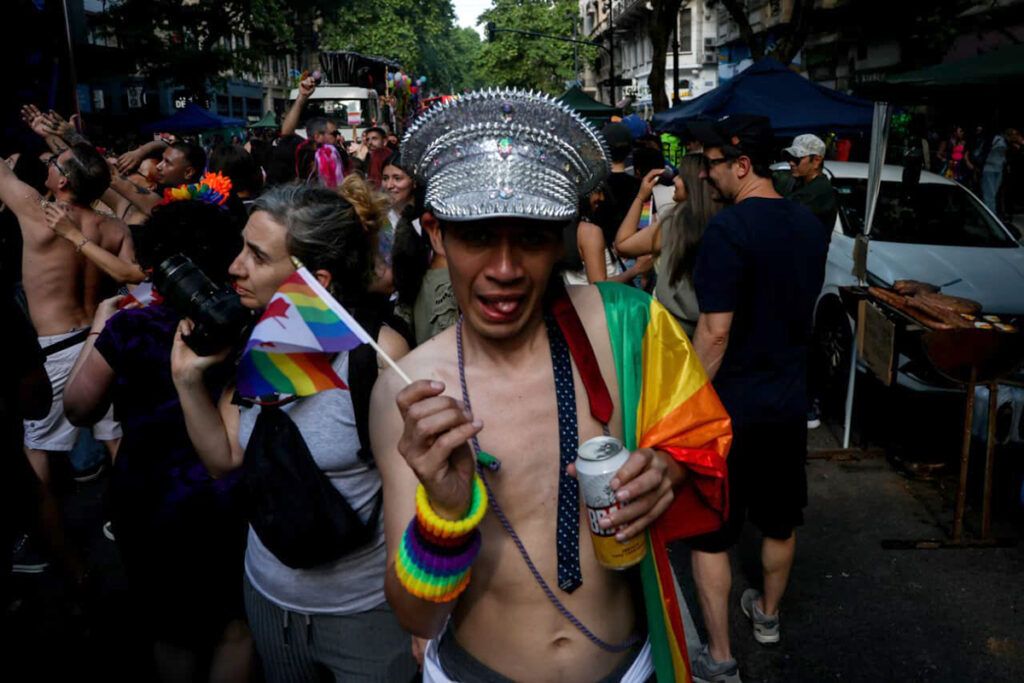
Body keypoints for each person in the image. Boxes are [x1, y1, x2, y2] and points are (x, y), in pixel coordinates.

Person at [370, 89, 731, 683]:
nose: (505, 269)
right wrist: (445, 511)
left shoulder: (629, 327)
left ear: (560, 238)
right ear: (438, 235)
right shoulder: (410, 396)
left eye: (532, 238)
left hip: (632, 667)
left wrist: (665, 471)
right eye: (478, 235)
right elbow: (414, 614)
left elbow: (702, 441)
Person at [170, 182, 418, 681]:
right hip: (268, 598)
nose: (235, 266)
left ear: (315, 279)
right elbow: (224, 458)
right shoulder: (257, 336)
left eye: (257, 256)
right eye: (243, 247)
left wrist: (420, 616)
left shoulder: (378, 356)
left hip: (364, 614)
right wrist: (187, 380)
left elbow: (412, 501)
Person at [61, 196, 251, 682]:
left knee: (171, 631)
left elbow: (78, 407)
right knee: (234, 625)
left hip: (149, 495)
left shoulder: (131, 325)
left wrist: (100, 324)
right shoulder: (245, 326)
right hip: (227, 494)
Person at [685, 114, 828, 682]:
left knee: (712, 532)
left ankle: (719, 658)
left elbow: (714, 332)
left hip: (731, 407)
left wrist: (685, 402)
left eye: (713, 164)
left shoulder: (729, 230)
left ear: (742, 165)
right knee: (778, 520)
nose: (706, 175)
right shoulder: (810, 224)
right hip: (789, 399)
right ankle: (767, 616)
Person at [0, 139, 125, 582]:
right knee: (116, 444)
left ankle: (65, 563)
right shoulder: (114, 229)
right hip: (97, 342)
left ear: (65, 180)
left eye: (55, 164)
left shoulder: (38, 212)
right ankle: (133, 525)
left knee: (38, 458)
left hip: (54, 351)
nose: (48, 167)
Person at [615, 156, 723, 337]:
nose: (674, 180)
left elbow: (623, 244)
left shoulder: (674, 223)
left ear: (692, 184)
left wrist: (641, 196)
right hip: (709, 329)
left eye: (680, 176)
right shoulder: (724, 220)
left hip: (671, 331)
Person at [780, 134, 837, 237]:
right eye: (790, 157)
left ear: (816, 161)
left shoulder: (819, 191)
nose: (791, 163)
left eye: (797, 159)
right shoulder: (799, 182)